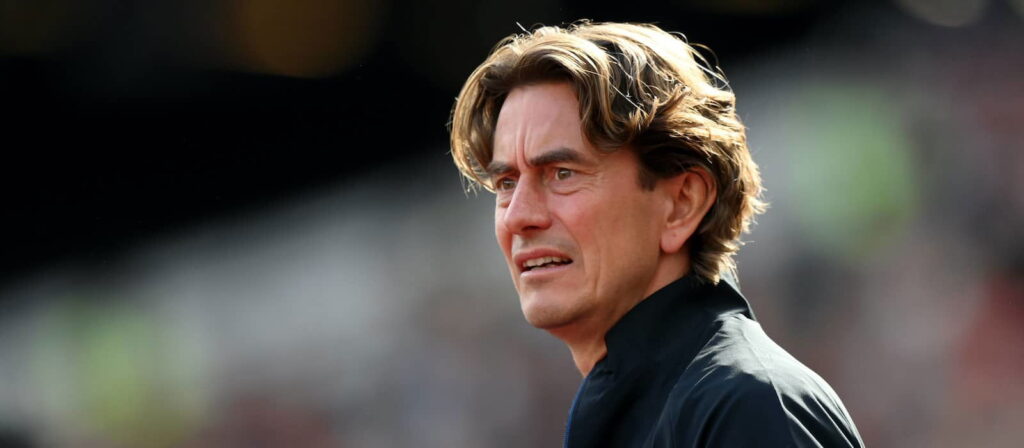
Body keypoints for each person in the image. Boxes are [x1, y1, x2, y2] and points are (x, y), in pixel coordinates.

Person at [448, 21, 864, 447]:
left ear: (682, 204)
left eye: (562, 173)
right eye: (506, 183)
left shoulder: (746, 406)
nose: (518, 217)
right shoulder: (673, 407)